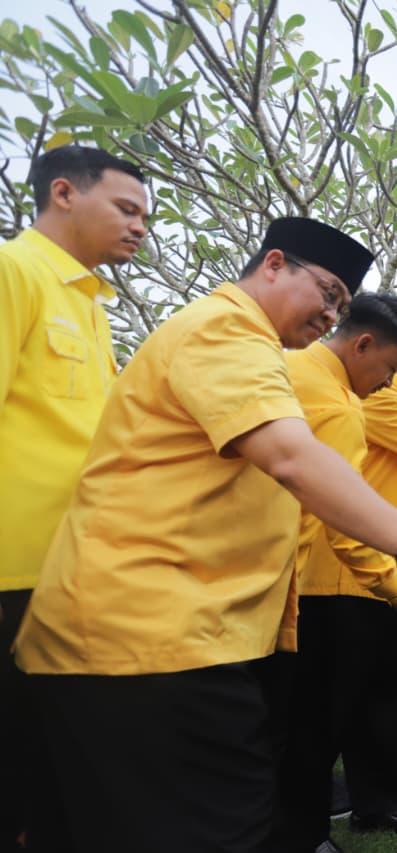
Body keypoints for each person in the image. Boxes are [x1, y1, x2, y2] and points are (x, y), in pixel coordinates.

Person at [13, 216, 397, 853]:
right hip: (148, 635)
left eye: (342, 305)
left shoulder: (267, 354)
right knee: (223, 822)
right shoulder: (224, 330)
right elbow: (293, 460)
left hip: (186, 631)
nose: (330, 315)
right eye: (326, 294)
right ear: (273, 264)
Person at [0, 144, 147, 853]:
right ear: (62, 192)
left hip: (67, 569)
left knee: (46, 764)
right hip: (9, 571)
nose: (140, 227)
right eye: (126, 209)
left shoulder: (91, 304)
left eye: (145, 215)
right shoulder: (13, 272)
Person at [278, 293, 397, 851]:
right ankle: (303, 832)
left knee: (381, 702)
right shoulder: (333, 395)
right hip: (336, 581)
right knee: (318, 719)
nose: (390, 380)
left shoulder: (331, 384)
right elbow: (339, 510)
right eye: (392, 368)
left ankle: (376, 806)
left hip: (376, 574)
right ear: (364, 343)